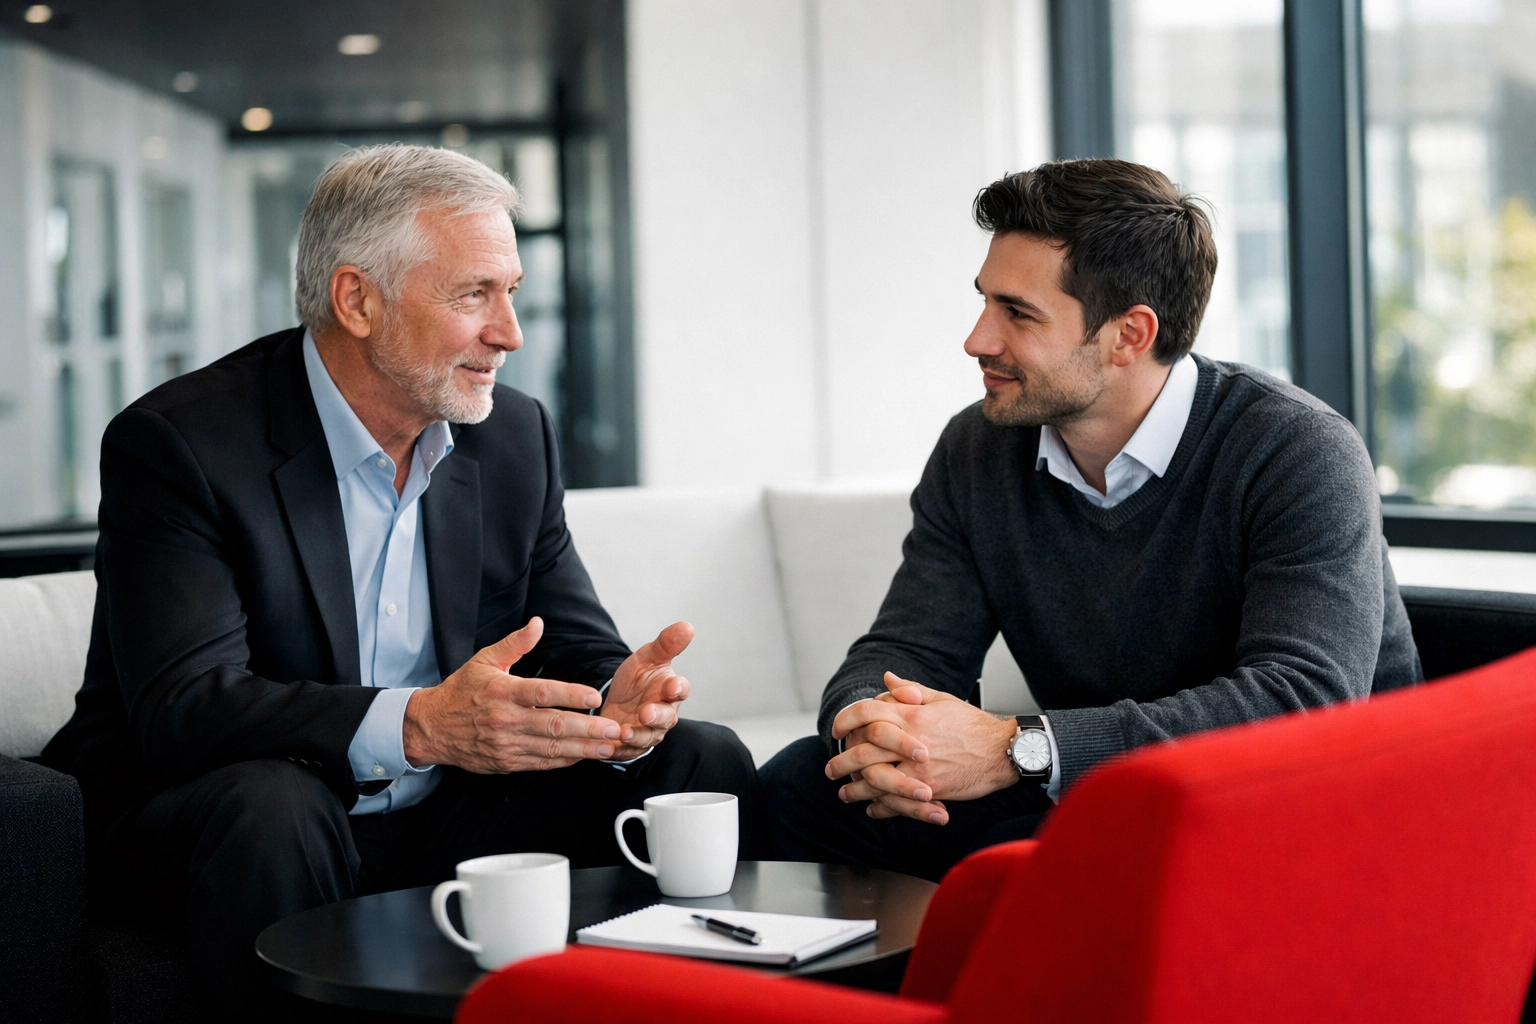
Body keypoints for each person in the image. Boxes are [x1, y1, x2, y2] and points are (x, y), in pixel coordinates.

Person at [41, 144, 755, 1014]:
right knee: (277, 806)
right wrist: (418, 726)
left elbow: (568, 639)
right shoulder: (182, 444)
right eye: (473, 295)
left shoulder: (512, 435)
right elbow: (186, 707)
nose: (510, 332)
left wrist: (616, 700)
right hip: (233, 814)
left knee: (700, 756)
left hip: (445, 812)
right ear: (358, 300)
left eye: (512, 292)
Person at [760, 159, 1421, 882]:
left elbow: (1301, 701)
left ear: (1129, 335)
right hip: (1101, 794)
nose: (977, 339)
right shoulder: (978, 448)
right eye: (984, 301)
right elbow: (906, 647)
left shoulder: (1294, 449)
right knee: (803, 783)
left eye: (1018, 312)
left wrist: (1017, 747)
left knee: (1023, 861)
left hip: (1286, 811)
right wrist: (875, 727)